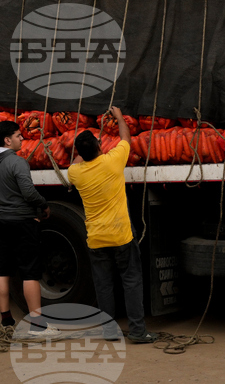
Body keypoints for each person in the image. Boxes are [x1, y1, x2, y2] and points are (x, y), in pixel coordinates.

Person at [68, 107, 157, 344]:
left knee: (104, 286)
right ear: (99, 147)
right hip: (121, 236)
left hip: (96, 239)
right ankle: (138, 332)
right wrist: (118, 118)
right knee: (131, 281)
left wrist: (86, 149)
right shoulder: (113, 161)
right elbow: (125, 139)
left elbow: (77, 160)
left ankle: (109, 331)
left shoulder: (75, 174)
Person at [0, 120, 59, 338]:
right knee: (30, 272)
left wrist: (4, 211)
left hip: (2, 221)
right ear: (7, 140)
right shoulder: (17, 163)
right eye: (18, 136)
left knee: (2, 269)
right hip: (24, 222)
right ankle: (38, 326)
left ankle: (6, 320)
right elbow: (28, 191)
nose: (21, 139)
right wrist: (42, 205)